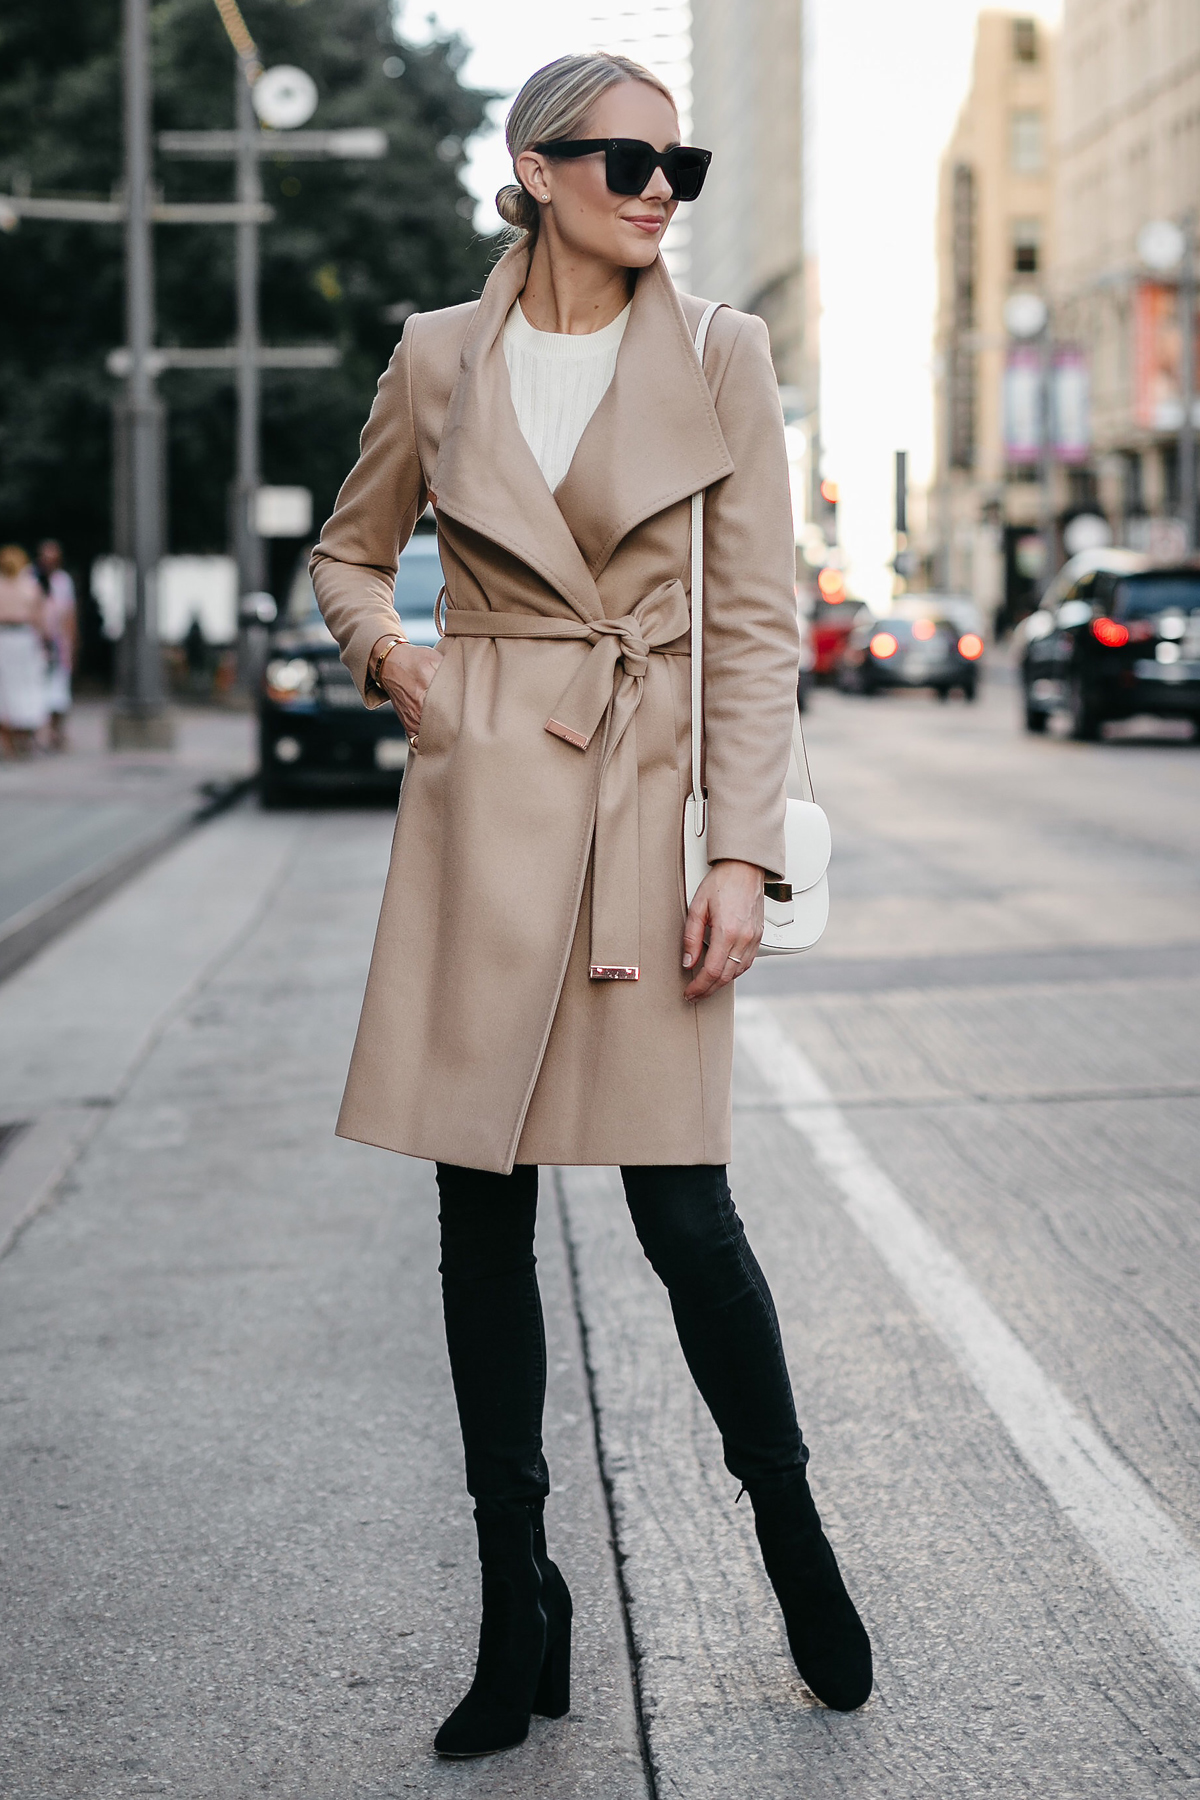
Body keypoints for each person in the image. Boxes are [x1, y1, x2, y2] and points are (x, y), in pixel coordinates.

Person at [311, 52, 872, 1760]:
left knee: (684, 1211)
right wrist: (395, 660)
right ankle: (516, 1604)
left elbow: (758, 621)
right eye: (628, 158)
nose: (658, 188)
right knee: (476, 1217)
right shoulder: (438, 357)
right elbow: (348, 550)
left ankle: (791, 1533)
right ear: (536, 168)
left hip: (641, 814)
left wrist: (738, 855)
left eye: (677, 163)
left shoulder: (719, 352)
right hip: (486, 810)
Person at [0, 544, 49, 757]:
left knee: (5, 689)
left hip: (4, 639)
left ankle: (9, 740)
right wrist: (45, 645)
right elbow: (40, 620)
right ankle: (24, 736)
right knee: (27, 686)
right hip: (24, 639)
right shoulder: (30, 586)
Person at [35, 540, 77, 751]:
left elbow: (69, 615)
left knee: (59, 690)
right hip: (37, 644)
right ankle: (40, 732)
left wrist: (71, 644)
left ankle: (56, 730)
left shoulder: (63, 581)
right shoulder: (32, 578)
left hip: (59, 643)